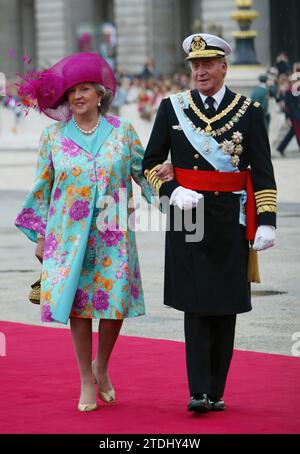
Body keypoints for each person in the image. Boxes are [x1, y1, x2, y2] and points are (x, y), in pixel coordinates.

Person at [15, 53, 173, 412]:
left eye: (84, 88)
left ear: (100, 94)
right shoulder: (52, 137)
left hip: (113, 231)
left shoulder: (123, 131)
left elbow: (140, 172)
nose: (77, 96)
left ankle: (102, 364)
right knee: (79, 307)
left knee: (113, 304)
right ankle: (86, 377)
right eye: (71, 91)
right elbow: (43, 187)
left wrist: (167, 190)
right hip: (68, 236)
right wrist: (40, 235)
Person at [142, 33, 277, 413]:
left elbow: (262, 171)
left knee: (226, 304)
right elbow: (149, 163)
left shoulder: (248, 111)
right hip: (189, 217)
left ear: (223, 67)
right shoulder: (172, 108)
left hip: (230, 220)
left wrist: (266, 220)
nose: (200, 71)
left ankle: (217, 390)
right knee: (196, 304)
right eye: (195, 65)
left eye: (207, 64)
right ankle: (198, 390)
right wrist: (171, 191)